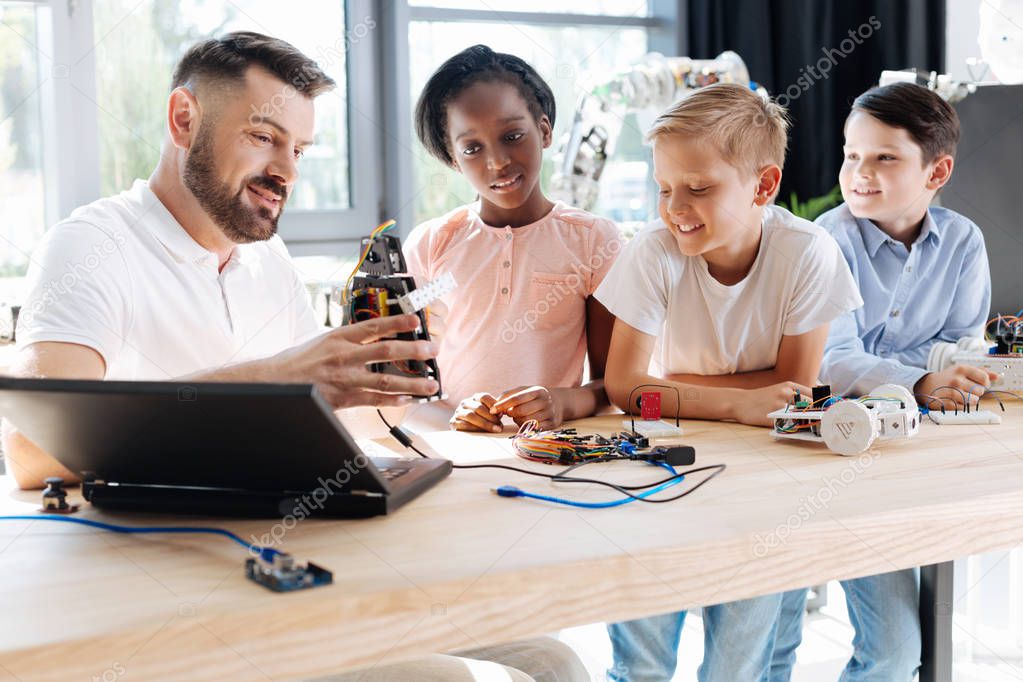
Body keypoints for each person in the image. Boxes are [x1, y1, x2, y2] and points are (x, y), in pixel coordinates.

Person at [1, 32, 586, 682]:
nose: (287, 168)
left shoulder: (265, 260)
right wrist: (274, 379)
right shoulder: (92, 245)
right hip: (169, 596)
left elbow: (326, 420)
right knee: (441, 679)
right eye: (263, 136)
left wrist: (391, 388)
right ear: (184, 120)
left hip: (285, 556)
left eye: (299, 148)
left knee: (553, 658)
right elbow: (31, 449)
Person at [594, 83, 862, 681]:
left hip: (767, 478)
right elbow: (622, 388)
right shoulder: (653, 252)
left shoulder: (807, 253)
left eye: (699, 188)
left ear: (763, 186)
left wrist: (671, 385)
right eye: (665, 189)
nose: (675, 207)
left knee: (742, 663)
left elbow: (796, 385)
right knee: (640, 662)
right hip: (659, 464)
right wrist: (741, 403)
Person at [774, 81, 994, 682]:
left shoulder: (964, 243)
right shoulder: (821, 243)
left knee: (896, 652)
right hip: (818, 457)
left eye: (884, 157)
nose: (859, 173)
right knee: (774, 644)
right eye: (851, 155)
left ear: (937, 170)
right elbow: (830, 360)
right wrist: (922, 378)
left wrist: (936, 373)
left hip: (912, 454)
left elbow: (958, 346)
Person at [405, 44, 620, 433]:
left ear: (544, 130)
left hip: (553, 450)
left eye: (513, 135)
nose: (498, 162)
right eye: (472, 148)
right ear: (453, 158)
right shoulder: (432, 245)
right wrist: (451, 414)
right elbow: (410, 390)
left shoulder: (592, 241)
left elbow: (613, 386)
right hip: (462, 455)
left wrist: (561, 402)